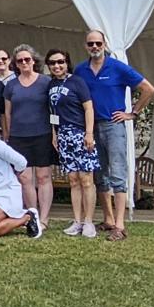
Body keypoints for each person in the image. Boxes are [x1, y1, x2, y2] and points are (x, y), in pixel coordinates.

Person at [73, 30, 154, 242]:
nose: (94, 47)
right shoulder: (80, 70)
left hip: (113, 125)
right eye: (91, 44)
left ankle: (120, 224)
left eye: (98, 43)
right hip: (90, 127)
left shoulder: (117, 67)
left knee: (118, 173)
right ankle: (108, 219)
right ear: (85, 46)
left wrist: (133, 113)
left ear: (104, 44)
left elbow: (148, 89)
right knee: (100, 174)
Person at [45, 49, 99, 238]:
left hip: (80, 134)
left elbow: (88, 107)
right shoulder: (51, 84)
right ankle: (77, 221)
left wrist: (89, 133)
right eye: (52, 63)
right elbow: (53, 113)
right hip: (63, 135)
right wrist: (54, 134)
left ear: (67, 62)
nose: (57, 66)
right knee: (74, 180)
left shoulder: (77, 82)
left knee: (86, 180)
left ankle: (89, 222)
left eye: (60, 62)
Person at [3, 44, 54, 227]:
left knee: (43, 177)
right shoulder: (11, 85)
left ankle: (45, 218)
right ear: (15, 64)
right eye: (20, 60)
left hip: (43, 134)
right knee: (24, 178)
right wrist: (8, 136)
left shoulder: (46, 82)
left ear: (34, 61)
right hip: (18, 137)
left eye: (27, 59)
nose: (24, 63)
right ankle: (34, 215)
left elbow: (53, 108)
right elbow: (7, 113)